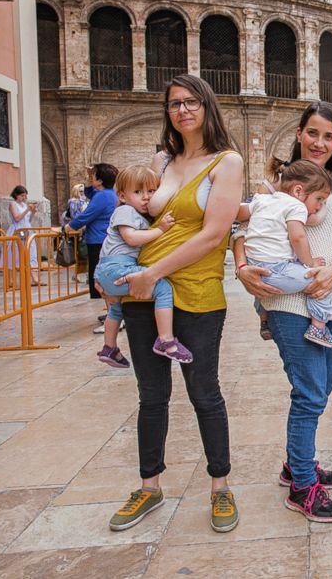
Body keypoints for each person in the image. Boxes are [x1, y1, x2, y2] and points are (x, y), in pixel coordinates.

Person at [107, 74, 242, 534]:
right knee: (152, 396)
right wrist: (118, 273)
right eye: (174, 104)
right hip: (144, 292)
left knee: (204, 392)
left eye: (190, 102)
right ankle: (149, 486)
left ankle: (220, 488)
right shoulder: (161, 161)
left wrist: (155, 271)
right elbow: (135, 213)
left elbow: (213, 234)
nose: (182, 110)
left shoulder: (227, 162)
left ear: (207, 106)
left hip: (197, 292)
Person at [234, 101, 332, 523]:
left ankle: (296, 463)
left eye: (328, 136)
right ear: (299, 133)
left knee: (318, 393)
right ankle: (304, 486)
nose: (319, 142)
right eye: (313, 133)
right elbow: (240, 229)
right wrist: (241, 268)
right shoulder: (277, 186)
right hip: (289, 303)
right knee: (308, 395)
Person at [93, 165, 187, 369]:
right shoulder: (124, 211)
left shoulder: (136, 213)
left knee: (116, 309)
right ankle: (166, 340)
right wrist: (161, 229)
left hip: (108, 269)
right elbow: (132, 238)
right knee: (162, 288)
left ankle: (109, 348)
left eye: (151, 191)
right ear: (122, 196)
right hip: (118, 267)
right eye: (138, 192)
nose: (146, 197)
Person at [242, 159, 332, 350]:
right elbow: (297, 237)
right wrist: (310, 262)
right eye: (319, 199)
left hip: (255, 265)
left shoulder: (262, 199)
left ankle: (264, 320)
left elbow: (239, 212)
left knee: (264, 292)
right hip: (276, 270)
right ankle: (318, 327)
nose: (320, 206)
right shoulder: (295, 206)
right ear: (298, 191)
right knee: (320, 280)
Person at [64, 163, 118, 332]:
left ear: (100, 180)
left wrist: (68, 227)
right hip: (102, 239)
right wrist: (89, 177)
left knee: (103, 280)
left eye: (93, 175)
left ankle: (114, 317)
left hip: (99, 241)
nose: (90, 177)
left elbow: (87, 215)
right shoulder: (107, 193)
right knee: (103, 279)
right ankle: (113, 314)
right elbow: (89, 192)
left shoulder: (103, 196)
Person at [2, 185, 41, 287]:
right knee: (14, 254)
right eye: (22, 195)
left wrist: (33, 212)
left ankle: (35, 279)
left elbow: (28, 220)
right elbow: (17, 218)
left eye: (25, 195)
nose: (24, 198)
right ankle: (10, 280)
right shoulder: (13, 204)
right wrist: (28, 210)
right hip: (17, 230)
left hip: (27, 229)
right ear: (16, 195)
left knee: (31, 252)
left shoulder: (24, 205)